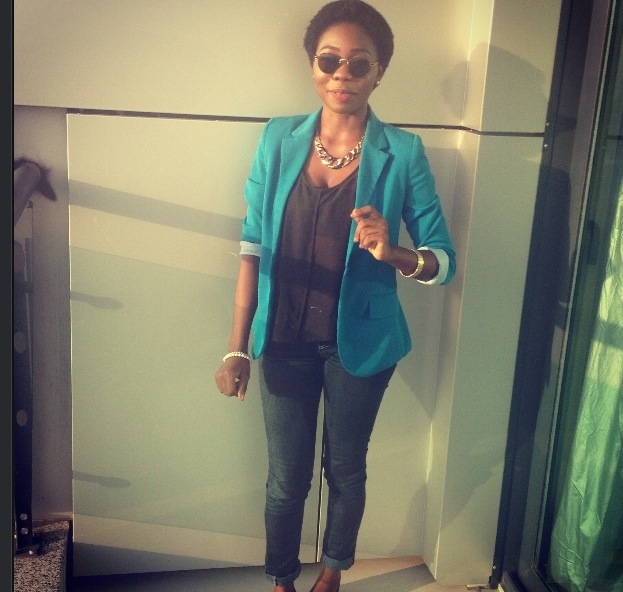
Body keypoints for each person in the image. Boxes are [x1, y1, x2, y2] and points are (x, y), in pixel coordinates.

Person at [214, 1, 456, 591]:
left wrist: (393, 252)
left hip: (361, 345)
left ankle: (332, 574)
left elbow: (443, 261)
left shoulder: (403, 152)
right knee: (286, 478)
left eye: (358, 63)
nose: (342, 74)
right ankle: (281, 580)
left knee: (345, 469)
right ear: (313, 64)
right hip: (283, 338)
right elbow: (251, 248)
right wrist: (236, 347)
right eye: (329, 60)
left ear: (379, 72)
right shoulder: (278, 139)